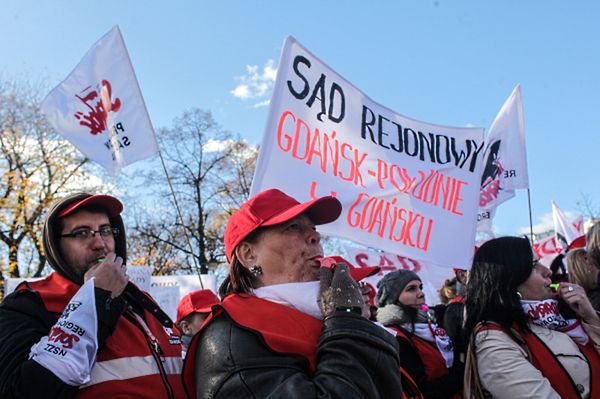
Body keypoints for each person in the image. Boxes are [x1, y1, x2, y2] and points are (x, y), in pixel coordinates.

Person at [181, 188, 404, 398]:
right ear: (249, 255)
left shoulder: (320, 313)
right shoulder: (230, 338)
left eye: (314, 229)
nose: (315, 237)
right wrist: (347, 318)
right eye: (294, 227)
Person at [0, 193, 186, 398]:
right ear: (56, 245)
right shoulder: (29, 303)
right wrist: (96, 298)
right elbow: (19, 391)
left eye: (105, 231)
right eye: (81, 233)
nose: (99, 243)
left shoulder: (142, 300)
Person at [464, 236, 600, 399]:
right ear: (511, 279)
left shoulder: (558, 316)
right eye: (534, 266)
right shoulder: (494, 342)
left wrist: (591, 317)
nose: (548, 271)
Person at [375, 269, 463, 399]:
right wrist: (461, 374)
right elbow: (422, 390)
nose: (421, 293)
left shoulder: (430, 325)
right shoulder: (396, 337)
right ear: (393, 298)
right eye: (411, 289)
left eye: (420, 287)